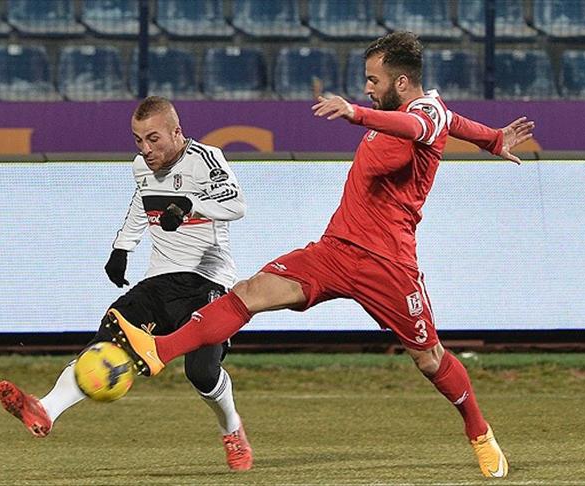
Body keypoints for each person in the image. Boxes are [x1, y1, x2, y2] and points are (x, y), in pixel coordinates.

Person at [106, 33, 535, 479]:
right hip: (335, 250)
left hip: (388, 266)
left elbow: (421, 127)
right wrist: (493, 139)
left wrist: (355, 113)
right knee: (249, 291)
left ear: (402, 82)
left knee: (429, 359)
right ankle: (159, 350)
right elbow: (456, 123)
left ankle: (479, 432)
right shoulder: (422, 112)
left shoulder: (422, 114)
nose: (367, 87)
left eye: (374, 80)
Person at [0, 96, 254, 471]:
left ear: (176, 132)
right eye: (138, 140)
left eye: (153, 139)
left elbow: (236, 204)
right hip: (160, 281)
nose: (145, 149)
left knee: (202, 372)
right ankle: (46, 409)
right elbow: (141, 202)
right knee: (110, 336)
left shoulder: (206, 158)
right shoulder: (141, 167)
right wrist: (122, 247)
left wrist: (188, 205)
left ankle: (232, 429)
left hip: (207, 281)